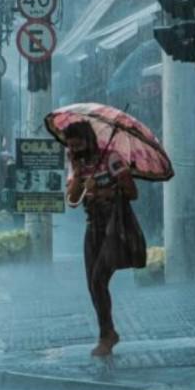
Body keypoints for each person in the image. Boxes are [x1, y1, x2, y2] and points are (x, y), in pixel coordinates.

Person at [65, 121, 138, 357]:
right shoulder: (78, 164)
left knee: (98, 280)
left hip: (113, 228)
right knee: (93, 285)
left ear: (88, 140)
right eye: (70, 146)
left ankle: (106, 335)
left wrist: (102, 191)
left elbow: (131, 192)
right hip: (92, 227)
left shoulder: (111, 159)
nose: (74, 150)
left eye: (78, 145)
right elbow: (73, 201)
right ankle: (107, 332)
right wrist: (77, 175)